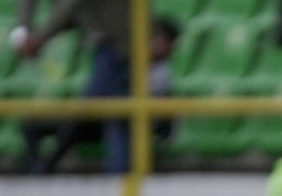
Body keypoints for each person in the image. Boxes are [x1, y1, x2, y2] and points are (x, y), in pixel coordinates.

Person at [14, 0, 132, 174]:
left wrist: (41, 36)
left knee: (98, 111)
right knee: (115, 116)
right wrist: (22, 29)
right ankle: (118, 176)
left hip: (123, 45)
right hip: (104, 46)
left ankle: (47, 165)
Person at [21, 18, 178, 174]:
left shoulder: (161, 74)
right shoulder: (123, 61)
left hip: (126, 123)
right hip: (102, 117)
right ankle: (40, 170)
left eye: (160, 40)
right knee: (39, 124)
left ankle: (45, 170)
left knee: (107, 124)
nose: (153, 43)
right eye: (153, 37)